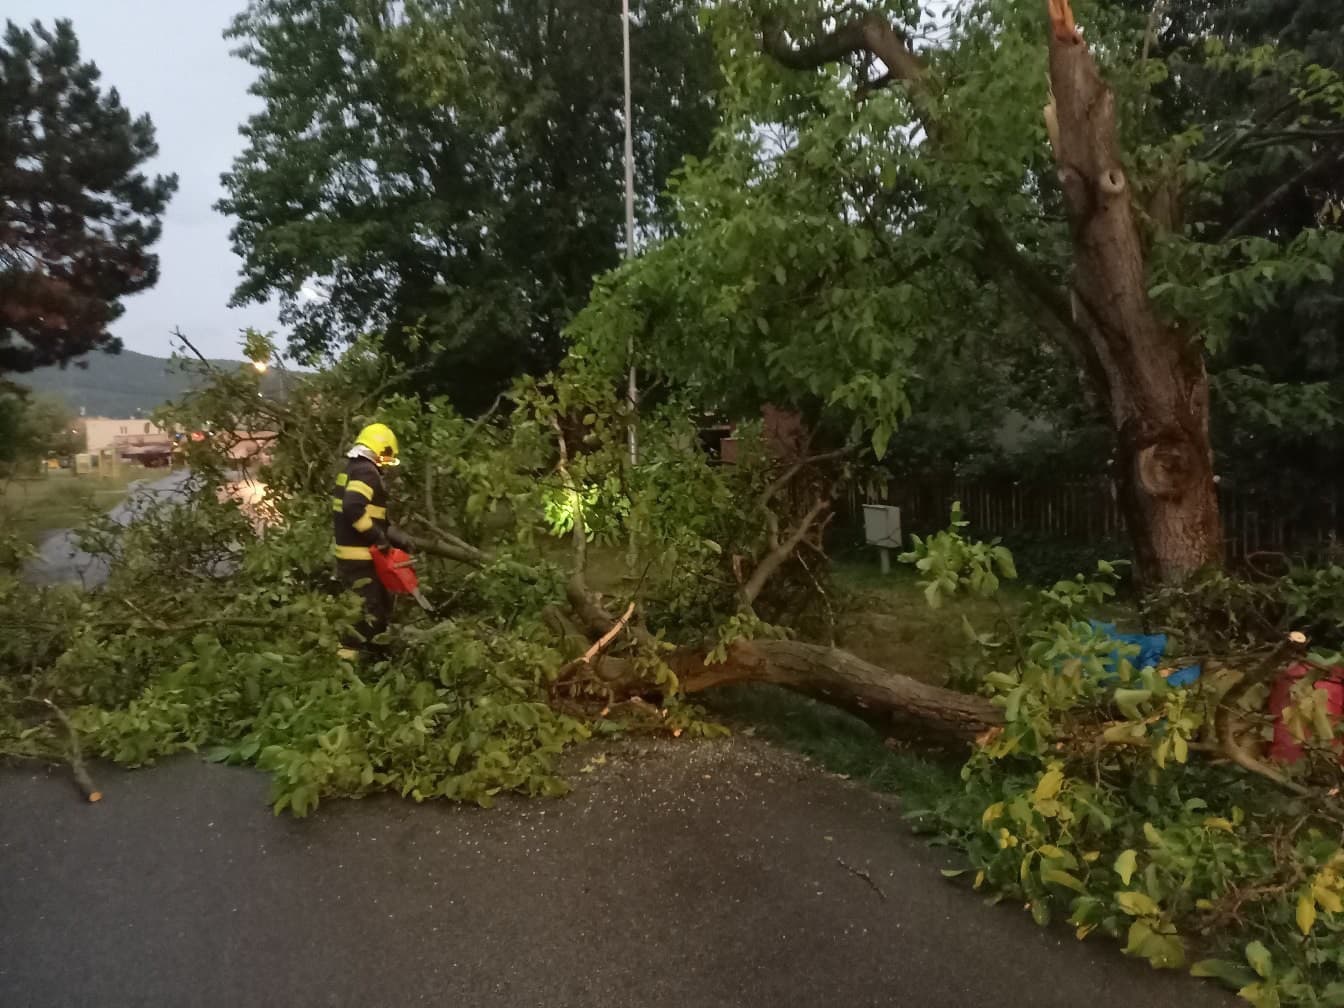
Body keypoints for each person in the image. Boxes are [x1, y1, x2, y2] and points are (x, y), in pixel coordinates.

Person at [332, 423, 412, 660]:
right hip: (360, 557)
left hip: (350, 556)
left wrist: (393, 535)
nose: (387, 464)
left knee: (374, 608)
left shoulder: (351, 469)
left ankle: (372, 658)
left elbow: (369, 512)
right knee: (369, 614)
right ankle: (355, 667)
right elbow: (353, 507)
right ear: (380, 450)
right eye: (387, 457)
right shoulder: (367, 472)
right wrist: (377, 537)